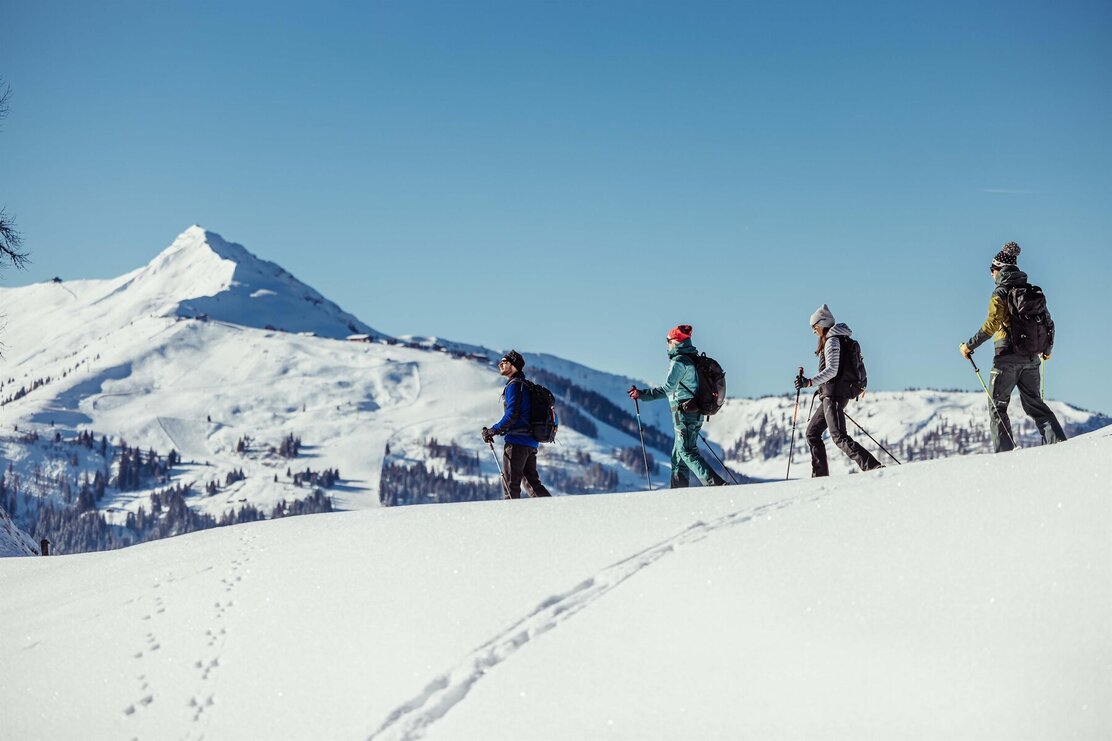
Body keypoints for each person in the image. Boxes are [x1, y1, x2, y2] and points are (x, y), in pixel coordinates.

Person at [959, 242, 1066, 451]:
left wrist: (969, 346)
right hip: (1032, 358)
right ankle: (1060, 448)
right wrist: (1047, 350)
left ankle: (1005, 456)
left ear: (998, 269)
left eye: (991, 270)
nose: (990, 274)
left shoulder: (1000, 292)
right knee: (1036, 406)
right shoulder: (1030, 291)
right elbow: (1049, 323)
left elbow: (991, 325)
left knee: (997, 407)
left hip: (1006, 357)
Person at [628, 325, 726, 488]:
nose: (667, 344)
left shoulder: (679, 361)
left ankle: (716, 485)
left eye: (668, 340)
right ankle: (678, 492)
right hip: (695, 411)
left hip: (684, 412)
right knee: (678, 455)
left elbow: (667, 389)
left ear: (675, 342)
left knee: (686, 452)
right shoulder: (693, 360)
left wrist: (642, 394)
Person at [796, 304, 882, 477]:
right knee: (812, 433)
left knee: (839, 436)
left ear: (822, 324)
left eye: (814, 327)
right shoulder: (838, 339)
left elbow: (832, 371)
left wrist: (809, 382)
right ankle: (820, 476)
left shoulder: (832, 340)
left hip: (834, 395)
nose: (813, 331)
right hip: (833, 394)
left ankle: (872, 466)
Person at [482, 350, 551, 499]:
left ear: (514, 366)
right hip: (531, 443)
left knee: (510, 486)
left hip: (516, 444)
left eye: (504, 362)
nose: (500, 364)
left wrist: (493, 430)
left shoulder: (514, 385)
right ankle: (553, 513)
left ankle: (511, 520)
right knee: (533, 484)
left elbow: (512, 414)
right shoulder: (526, 385)